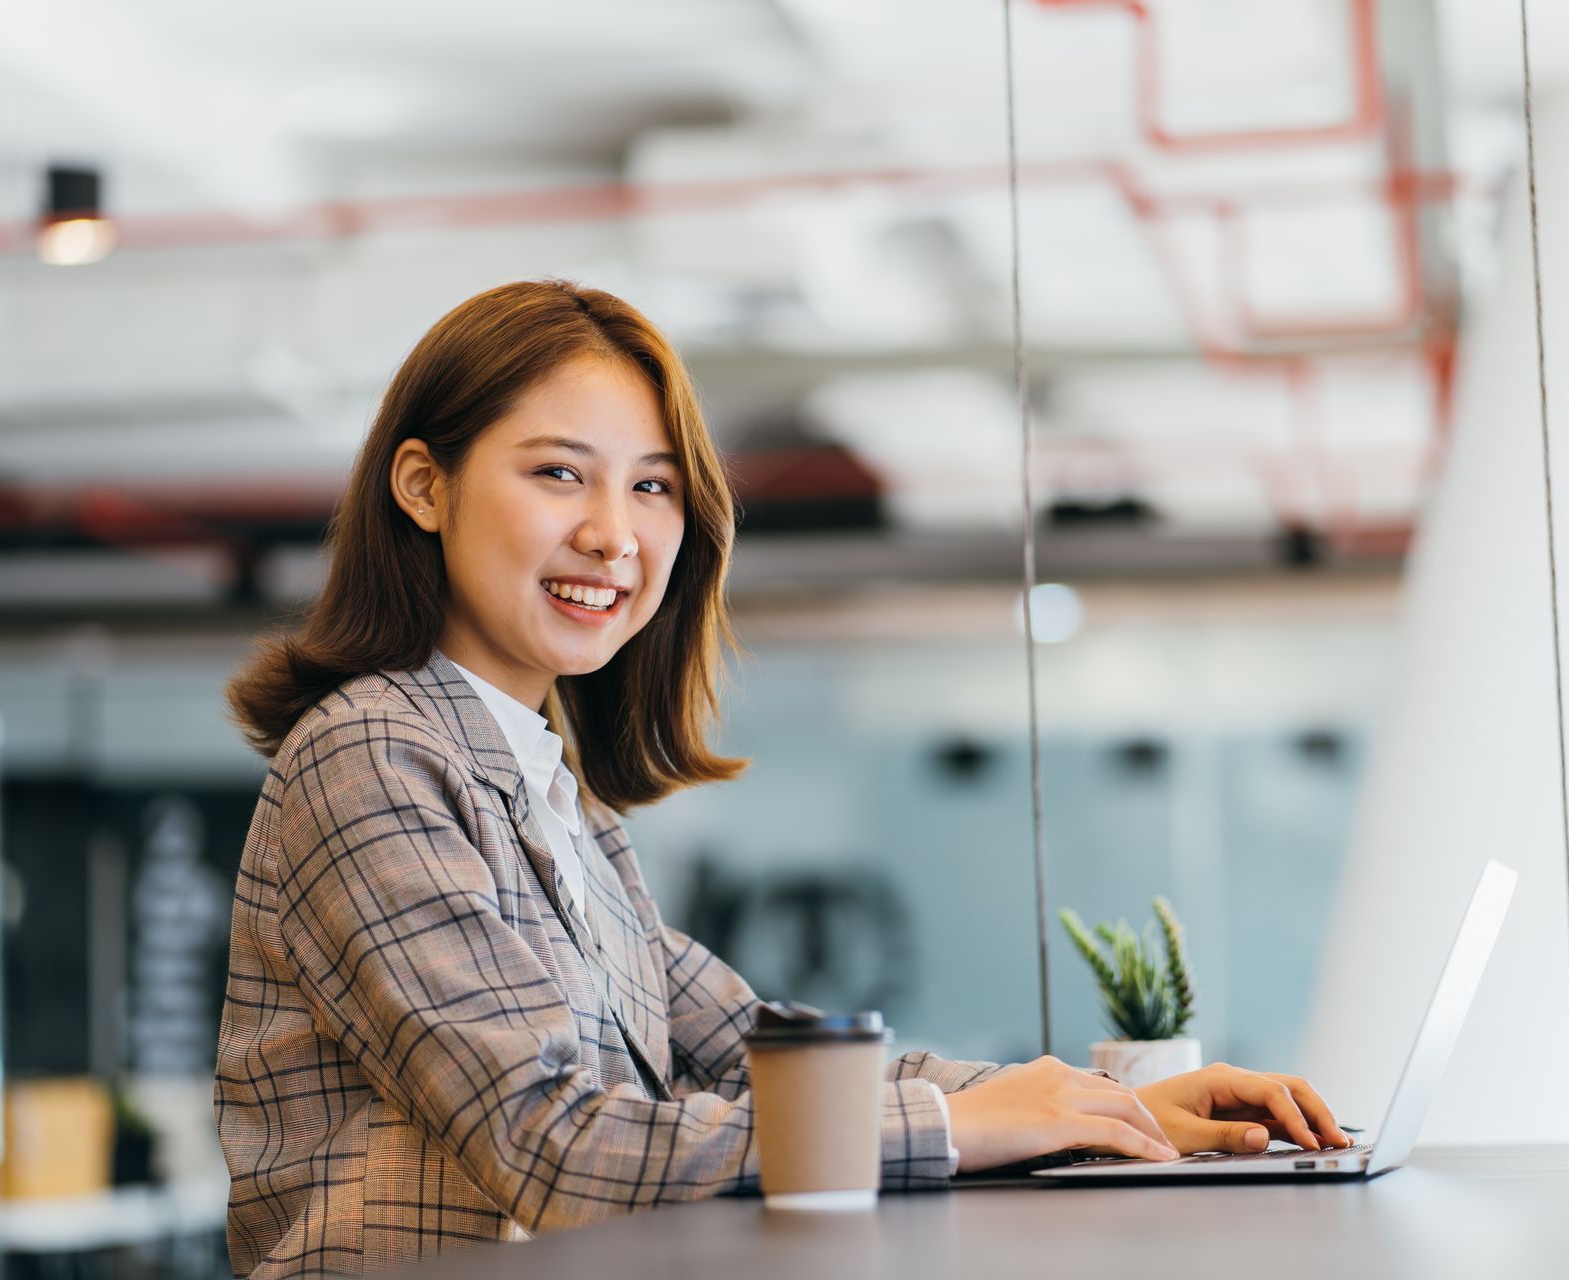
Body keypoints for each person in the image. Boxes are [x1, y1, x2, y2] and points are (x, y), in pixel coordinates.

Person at [215, 280, 1349, 1278]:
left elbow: (774, 1048)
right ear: (423, 484)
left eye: (653, 487)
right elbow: (553, 1145)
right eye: (561, 473)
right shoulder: (369, 754)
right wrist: (970, 1126)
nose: (615, 535)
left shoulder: (559, 800)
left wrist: (1092, 1109)